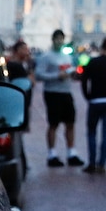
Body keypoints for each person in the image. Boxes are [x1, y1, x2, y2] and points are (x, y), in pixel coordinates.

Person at [34, 29, 84, 167]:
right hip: (52, 92)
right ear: (53, 40)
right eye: (57, 39)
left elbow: (70, 69)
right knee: (53, 123)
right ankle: (52, 153)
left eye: (61, 39)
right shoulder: (46, 57)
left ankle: (71, 152)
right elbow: (39, 74)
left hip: (66, 92)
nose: (59, 41)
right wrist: (56, 76)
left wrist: (73, 74)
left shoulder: (66, 56)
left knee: (70, 122)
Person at [79, 37, 106, 174]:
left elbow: (84, 80)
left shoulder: (93, 62)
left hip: (95, 100)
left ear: (102, 47)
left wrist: (87, 95)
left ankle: (92, 162)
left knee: (92, 132)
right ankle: (102, 163)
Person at [6, 39, 35, 127]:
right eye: (24, 49)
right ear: (17, 50)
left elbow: (32, 81)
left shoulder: (26, 64)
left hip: (25, 100)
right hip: (16, 102)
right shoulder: (13, 65)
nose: (27, 51)